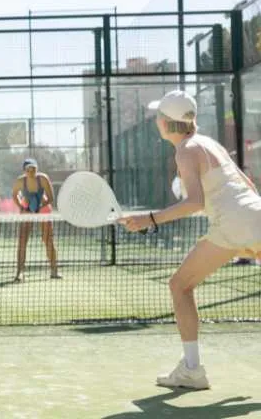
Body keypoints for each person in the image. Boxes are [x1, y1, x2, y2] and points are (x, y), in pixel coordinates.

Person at [119, 89, 261, 390]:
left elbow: (195, 202)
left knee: (179, 285)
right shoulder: (208, 143)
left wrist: (150, 219)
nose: (156, 120)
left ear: (167, 122)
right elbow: (245, 183)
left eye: (158, 116)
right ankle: (191, 370)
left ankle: (192, 370)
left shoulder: (184, 150)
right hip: (255, 214)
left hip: (233, 224)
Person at [10, 158, 60, 282]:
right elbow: (14, 195)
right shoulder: (20, 181)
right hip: (26, 208)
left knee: (48, 239)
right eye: (28, 169)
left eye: (34, 168)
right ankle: (20, 272)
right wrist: (22, 207)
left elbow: (51, 197)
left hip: (43, 207)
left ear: (37, 169)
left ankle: (54, 271)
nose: (31, 171)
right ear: (24, 171)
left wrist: (39, 206)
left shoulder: (43, 178)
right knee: (22, 240)